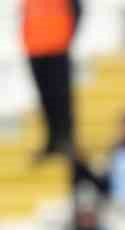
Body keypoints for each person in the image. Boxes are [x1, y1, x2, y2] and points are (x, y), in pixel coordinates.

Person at [23, 0, 77, 160]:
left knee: (61, 96)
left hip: (57, 47)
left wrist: (66, 37)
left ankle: (66, 140)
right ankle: (51, 141)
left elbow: (76, 9)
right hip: (35, 48)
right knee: (45, 97)